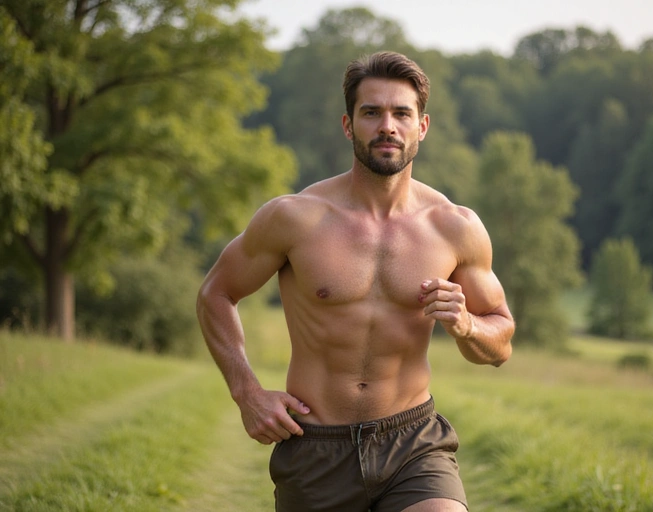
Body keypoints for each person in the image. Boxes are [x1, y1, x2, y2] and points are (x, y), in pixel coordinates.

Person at [197, 51, 516, 512]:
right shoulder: (295, 218)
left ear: (422, 126)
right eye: (372, 112)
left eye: (402, 113)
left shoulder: (455, 227)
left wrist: (466, 324)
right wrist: (246, 391)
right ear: (349, 125)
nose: (388, 126)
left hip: (413, 442)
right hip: (315, 446)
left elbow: (500, 342)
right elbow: (216, 293)